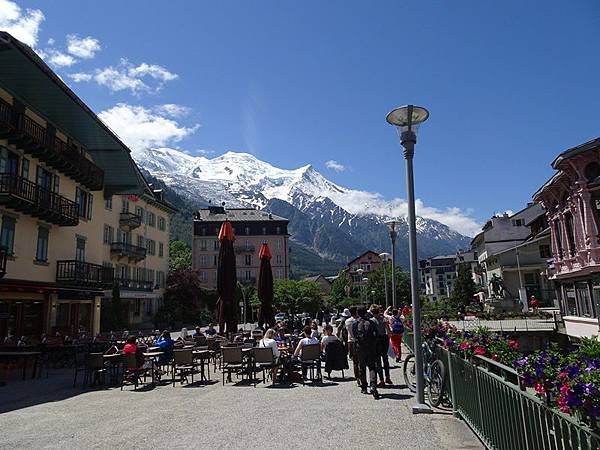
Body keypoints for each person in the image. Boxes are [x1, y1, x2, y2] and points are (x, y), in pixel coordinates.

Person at [354, 305, 380, 399]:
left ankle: (364, 387)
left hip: (360, 348)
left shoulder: (356, 323)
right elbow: (376, 335)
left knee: (362, 367)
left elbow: (354, 334)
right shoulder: (371, 323)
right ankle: (373, 386)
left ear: (357, 312)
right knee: (372, 367)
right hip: (371, 348)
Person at [371, 306, 392, 386]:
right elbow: (388, 331)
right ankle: (388, 377)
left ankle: (381, 380)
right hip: (384, 339)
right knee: (385, 360)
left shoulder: (372, 321)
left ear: (372, 312)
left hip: (376, 340)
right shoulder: (384, 319)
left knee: (378, 361)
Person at [344, 306, 360, 385]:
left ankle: (357, 378)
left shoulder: (347, 321)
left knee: (355, 362)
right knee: (361, 361)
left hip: (350, 341)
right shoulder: (359, 321)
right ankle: (361, 376)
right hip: (359, 341)